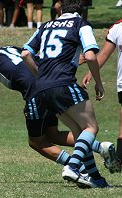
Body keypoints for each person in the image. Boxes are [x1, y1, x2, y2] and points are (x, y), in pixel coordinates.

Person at [0, 33, 116, 188]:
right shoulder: (13, 49)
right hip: (50, 86)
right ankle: (100, 147)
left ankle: (76, 167)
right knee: (53, 135)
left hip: (35, 93)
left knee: (36, 141)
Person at [21, 0, 110, 188]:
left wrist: (41, 75)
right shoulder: (80, 24)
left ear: (60, 8)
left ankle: (96, 179)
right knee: (91, 128)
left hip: (41, 89)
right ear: (82, 9)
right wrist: (99, 83)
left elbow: (25, 54)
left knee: (79, 133)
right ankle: (73, 167)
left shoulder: (46, 26)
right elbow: (92, 56)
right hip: (62, 83)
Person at [82, 19, 122, 173]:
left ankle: (119, 158)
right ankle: (119, 158)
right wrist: (90, 73)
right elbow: (104, 53)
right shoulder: (117, 28)